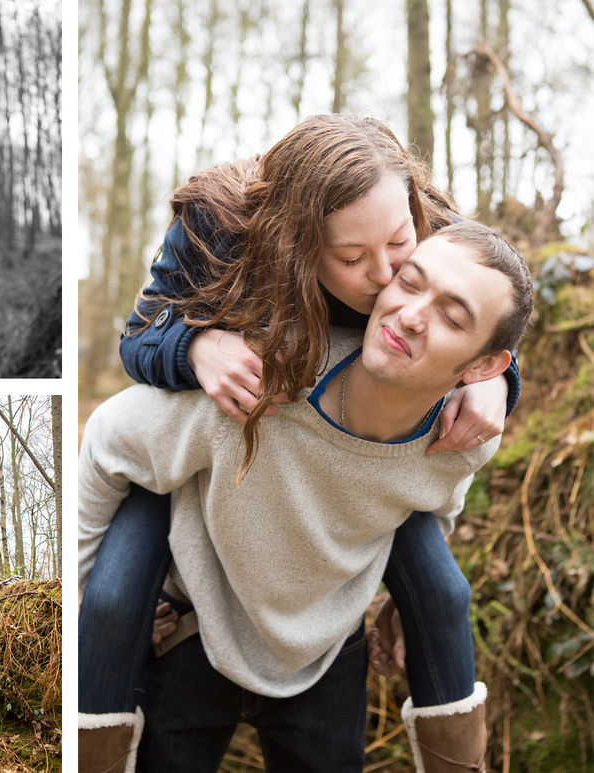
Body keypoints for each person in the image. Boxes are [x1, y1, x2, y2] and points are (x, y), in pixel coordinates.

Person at [78, 116, 520, 771]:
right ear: (295, 246)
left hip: (382, 449)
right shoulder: (217, 229)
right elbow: (139, 334)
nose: (383, 277)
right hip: (238, 430)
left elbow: (490, 301)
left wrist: (501, 381)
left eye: (401, 242)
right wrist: (196, 345)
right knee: (114, 602)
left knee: (443, 592)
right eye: (349, 257)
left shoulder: (431, 228)